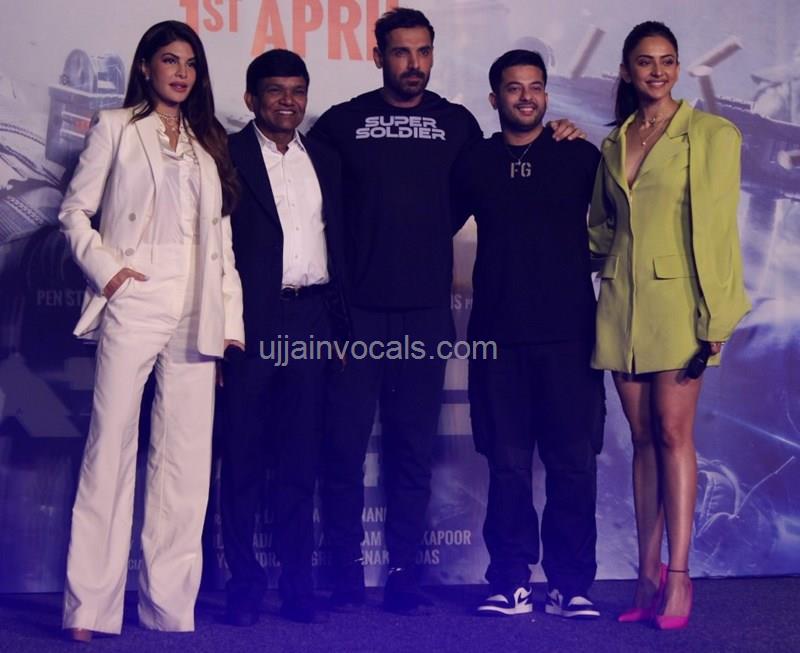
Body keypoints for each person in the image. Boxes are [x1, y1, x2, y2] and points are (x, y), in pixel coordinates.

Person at [309, 7, 581, 614]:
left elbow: (506, 177)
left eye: (423, 51)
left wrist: (561, 135)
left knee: (411, 451)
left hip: (426, 312)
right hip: (355, 316)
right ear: (377, 56)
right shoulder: (341, 124)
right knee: (343, 450)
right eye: (401, 51)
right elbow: (309, 209)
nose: (414, 63)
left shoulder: (458, 125)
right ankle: (345, 572)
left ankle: (404, 574)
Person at [59, 21, 243, 641]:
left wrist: (229, 322)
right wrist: (109, 273)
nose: (181, 72)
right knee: (110, 447)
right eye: (170, 60)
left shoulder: (207, 140)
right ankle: (89, 608)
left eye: (190, 63)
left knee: (184, 462)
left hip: (196, 304)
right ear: (145, 66)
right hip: (135, 293)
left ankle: (168, 607)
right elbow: (74, 211)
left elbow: (220, 239)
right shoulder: (115, 127)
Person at [589, 21, 750, 630]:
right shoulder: (616, 139)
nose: (656, 71)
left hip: (681, 305)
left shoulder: (710, 134)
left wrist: (718, 314)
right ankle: (647, 575)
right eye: (644, 61)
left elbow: (719, 230)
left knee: (674, 434)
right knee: (641, 441)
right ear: (627, 70)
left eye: (667, 60)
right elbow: (603, 225)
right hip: (621, 304)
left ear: (678, 68)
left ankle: (680, 577)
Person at [452, 50, 604, 619]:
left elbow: (622, 226)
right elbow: (428, 224)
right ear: (495, 98)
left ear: (546, 95)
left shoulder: (579, 155)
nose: (526, 97)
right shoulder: (475, 160)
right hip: (498, 339)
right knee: (508, 466)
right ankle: (510, 581)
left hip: (570, 338)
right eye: (514, 88)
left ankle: (570, 585)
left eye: (535, 87)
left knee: (573, 465)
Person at [220, 49, 347, 625]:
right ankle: (244, 588)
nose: (288, 101)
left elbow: (337, 245)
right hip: (249, 323)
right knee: (242, 460)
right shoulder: (225, 155)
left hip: (311, 320)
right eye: (275, 90)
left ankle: (298, 588)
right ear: (252, 98)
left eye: (298, 90)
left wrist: (339, 328)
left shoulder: (325, 157)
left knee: (300, 462)